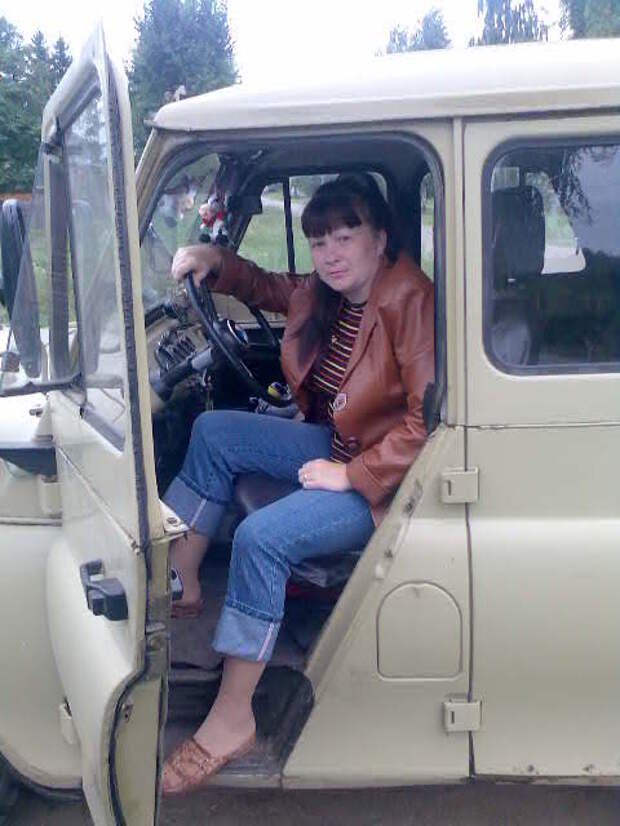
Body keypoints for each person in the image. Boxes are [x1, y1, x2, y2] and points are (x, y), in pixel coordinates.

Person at [161, 174, 434, 794]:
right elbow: (270, 287)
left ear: (379, 238)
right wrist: (214, 261)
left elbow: (428, 420)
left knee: (261, 538)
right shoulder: (329, 291)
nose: (330, 253)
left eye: (345, 236)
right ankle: (183, 583)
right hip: (337, 443)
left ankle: (233, 720)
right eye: (319, 240)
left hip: (386, 481)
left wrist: (351, 475)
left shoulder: (407, 298)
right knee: (214, 432)